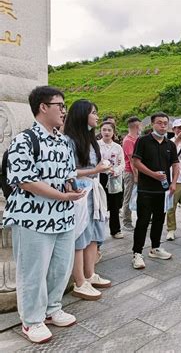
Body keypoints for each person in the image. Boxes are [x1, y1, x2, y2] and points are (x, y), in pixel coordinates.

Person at [2, 86, 84, 343]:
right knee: (33, 271)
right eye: (60, 105)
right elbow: (24, 180)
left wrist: (71, 186)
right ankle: (32, 321)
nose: (64, 110)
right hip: (32, 218)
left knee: (60, 267)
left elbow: (69, 172)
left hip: (63, 216)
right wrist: (61, 196)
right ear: (43, 107)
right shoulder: (24, 140)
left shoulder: (65, 141)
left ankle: (52, 309)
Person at [64, 99, 112, 301]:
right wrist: (96, 169)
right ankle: (79, 281)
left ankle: (90, 274)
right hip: (80, 193)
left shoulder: (91, 140)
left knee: (94, 233)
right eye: (93, 113)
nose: (97, 117)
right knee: (80, 236)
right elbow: (67, 172)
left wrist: (99, 169)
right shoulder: (69, 141)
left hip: (93, 190)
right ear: (83, 115)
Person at [131, 112, 179, 269]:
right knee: (143, 221)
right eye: (159, 123)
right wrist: (153, 175)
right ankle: (137, 253)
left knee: (159, 220)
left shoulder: (170, 144)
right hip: (146, 189)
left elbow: (175, 164)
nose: (163, 125)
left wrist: (174, 183)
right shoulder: (143, 141)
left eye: (165, 123)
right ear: (152, 124)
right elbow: (136, 162)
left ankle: (155, 247)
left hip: (163, 191)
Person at [98, 122, 125, 239]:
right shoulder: (96, 145)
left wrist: (116, 171)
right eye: (104, 130)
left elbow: (122, 163)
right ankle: (99, 232)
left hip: (114, 177)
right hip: (100, 177)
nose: (106, 132)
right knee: (100, 205)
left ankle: (115, 230)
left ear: (113, 132)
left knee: (115, 205)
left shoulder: (118, 147)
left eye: (109, 130)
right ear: (100, 131)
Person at [121, 116, 141, 231]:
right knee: (128, 196)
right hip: (130, 172)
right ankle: (126, 222)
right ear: (137, 126)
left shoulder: (137, 138)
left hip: (138, 171)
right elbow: (132, 160)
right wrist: (136, 175)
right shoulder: (128, 140)